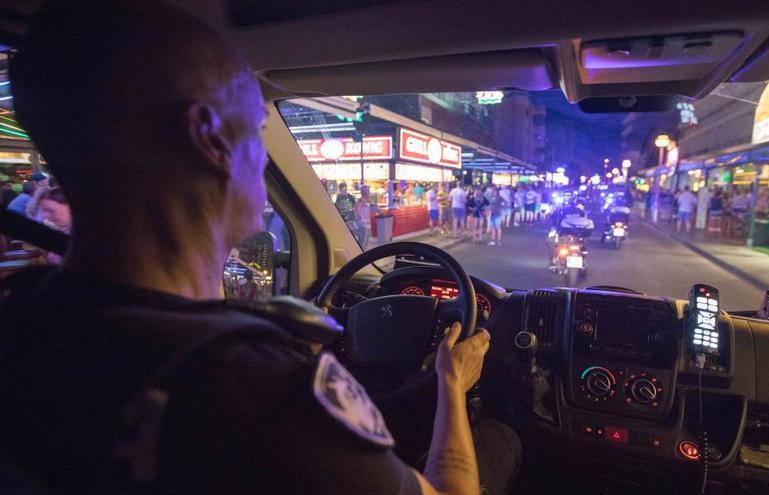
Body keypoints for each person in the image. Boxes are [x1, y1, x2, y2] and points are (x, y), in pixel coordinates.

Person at [0, 2, 519, 494]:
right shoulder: (257, 391)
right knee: (503, 440)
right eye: (256, 130)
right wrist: (452, 385)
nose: (262, 159)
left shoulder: (22, 320)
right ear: (209, 137)